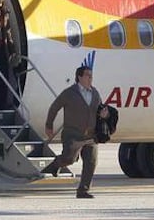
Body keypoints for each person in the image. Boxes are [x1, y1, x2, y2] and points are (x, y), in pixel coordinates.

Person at [43, 66, 109, 198]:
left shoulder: (95, 93)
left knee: (91, 162)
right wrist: (49, 125)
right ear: (79, 77)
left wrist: (103, 114)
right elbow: (54, 107)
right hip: (73, 133)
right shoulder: (69, 93)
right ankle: (56, 164)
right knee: (69, 158)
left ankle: (83, 190)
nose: (90, 78)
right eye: (87, 76)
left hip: (91, 135)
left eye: (91, 76)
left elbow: (99, 109)